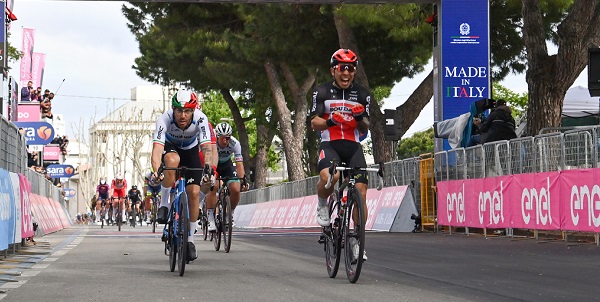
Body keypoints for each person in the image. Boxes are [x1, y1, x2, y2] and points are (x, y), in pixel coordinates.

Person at [310, 48, 371, 261]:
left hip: (353, 146)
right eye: (342, 68)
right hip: (330, 144)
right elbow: (314, 123)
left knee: (361, 192)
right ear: (333, 70)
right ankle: (322, 203)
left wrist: (360, 117)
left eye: (351, 68)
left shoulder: (363, 94)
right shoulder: (322, 91)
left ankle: (356, 240)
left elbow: (364, 129)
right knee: (331, 177)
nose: (346, 73)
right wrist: (330, 121)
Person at [150, 89, 214, 261]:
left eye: (187, 111)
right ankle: (164, 204)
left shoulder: (201, 119)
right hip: (171, 147)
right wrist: (157, 171)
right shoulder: (164, 119)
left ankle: (190, 240)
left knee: (194, 193)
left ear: (193, 111)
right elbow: (157, 150)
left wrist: (208, 167)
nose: (183, 115)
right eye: (179, 110)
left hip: (191, 151)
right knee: (171, 160)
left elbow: (207, 148)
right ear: (173, 109)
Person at [207, 122, 247, 231]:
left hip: (226, 165)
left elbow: (239, 164)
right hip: (213, 164)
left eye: (228, 138)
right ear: (217, 137)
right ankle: (210, 217)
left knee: (235, 188)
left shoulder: (235, 143)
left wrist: (242, 180)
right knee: (213, 186)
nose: (226, 141)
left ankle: (230, 213)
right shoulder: (212, 141)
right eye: (223, 138)